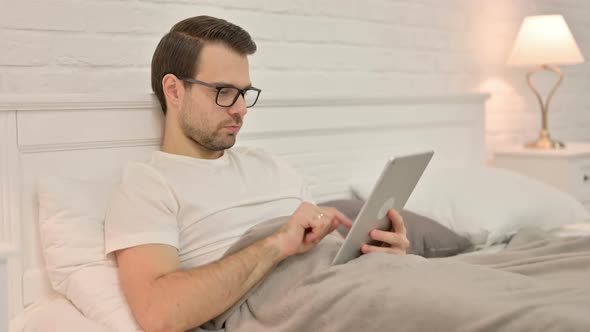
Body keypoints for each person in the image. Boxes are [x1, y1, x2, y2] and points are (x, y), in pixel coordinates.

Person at [105, 15, 410, 332]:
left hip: (360, 290)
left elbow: (327, 256)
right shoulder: (148, 184)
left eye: (244, 93)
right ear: (174, 90)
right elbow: (159, 312)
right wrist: (277, 243)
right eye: (224, 92)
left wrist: (379, 256)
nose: (240, 109)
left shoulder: (269, 164)